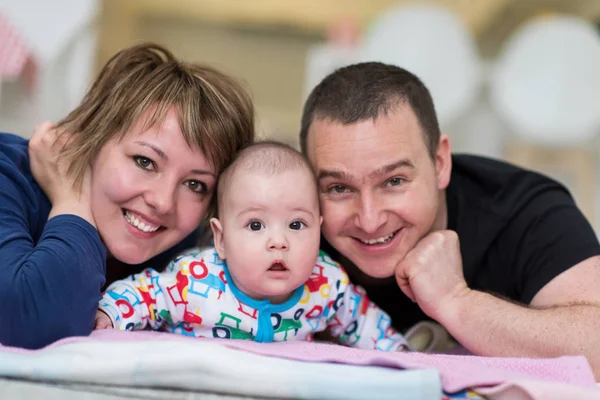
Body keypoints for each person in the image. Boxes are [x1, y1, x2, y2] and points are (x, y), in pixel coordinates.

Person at [299, 62, 600, 375]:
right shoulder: (292, 226)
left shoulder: (525, 209)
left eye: (394, 181)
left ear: (440, 162)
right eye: (339, 188)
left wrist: (457, 302)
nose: (370, 220)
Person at [0, 43, 254, 349]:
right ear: (91, 137)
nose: (163, 202)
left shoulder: (189, 247)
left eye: (195, 185)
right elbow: (35, 322)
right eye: (145, 162)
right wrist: (71, 202)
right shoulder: (8, 176)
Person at [94, 142, 409, 352]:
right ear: (221, 239)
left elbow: (362, 320)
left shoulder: (326, 284)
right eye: (256, 225)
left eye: (297, 225)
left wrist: (400, 354)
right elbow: (146, 293)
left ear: (320, 231)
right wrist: (109, 315)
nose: (278, 242)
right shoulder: (193, 281)